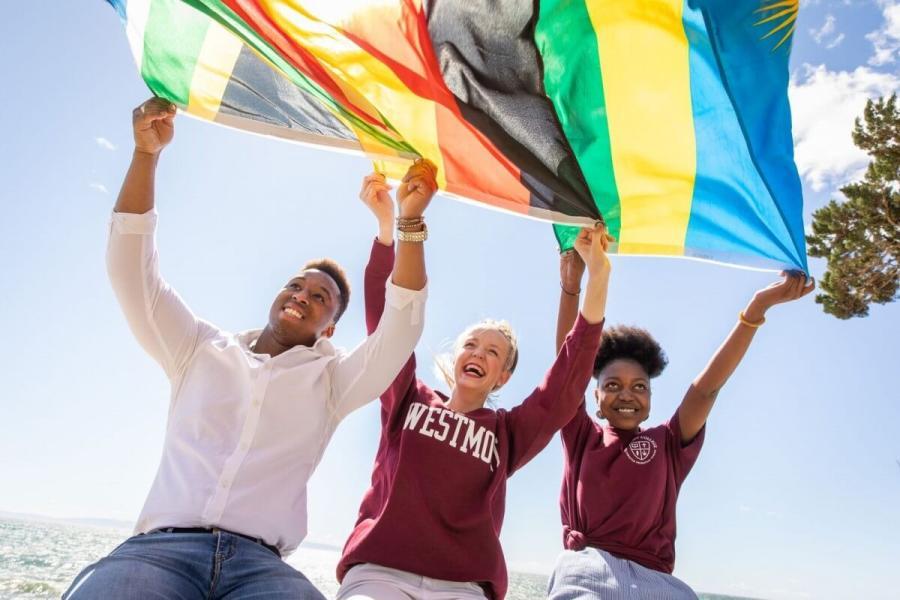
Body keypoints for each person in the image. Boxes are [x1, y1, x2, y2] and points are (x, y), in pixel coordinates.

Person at [62, 97, 430, 600]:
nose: (302, 295)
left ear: (329, 331)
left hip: (263, 569)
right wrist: (145, 154)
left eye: (320, 297)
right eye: (297, 285)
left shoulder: (333, 383)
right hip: (158, 553)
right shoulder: (197, 346)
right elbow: (131, 270)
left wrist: (406, 223)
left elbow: (401, 330)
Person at [333, 170, 611, 600]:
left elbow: (567, 380)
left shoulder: (509, 432)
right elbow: (387, 323)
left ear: (503, 376)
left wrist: (598, 278)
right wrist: (391, 229)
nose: (479, 353)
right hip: (380, 574)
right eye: (472, 345)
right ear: (457, 355)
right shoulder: (408, 397)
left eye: (493, 352)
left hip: (462, 587)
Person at [548, 250, 815, 599]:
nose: (626, 394)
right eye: (612, 386)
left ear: (650, 401)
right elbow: (566, 369)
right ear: (595, 399)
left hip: (657, 582)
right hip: (588, 572)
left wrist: (756, 309)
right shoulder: (582, 437)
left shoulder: (668, 443)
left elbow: (706, 389)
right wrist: (571, 288)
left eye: (639, 387)